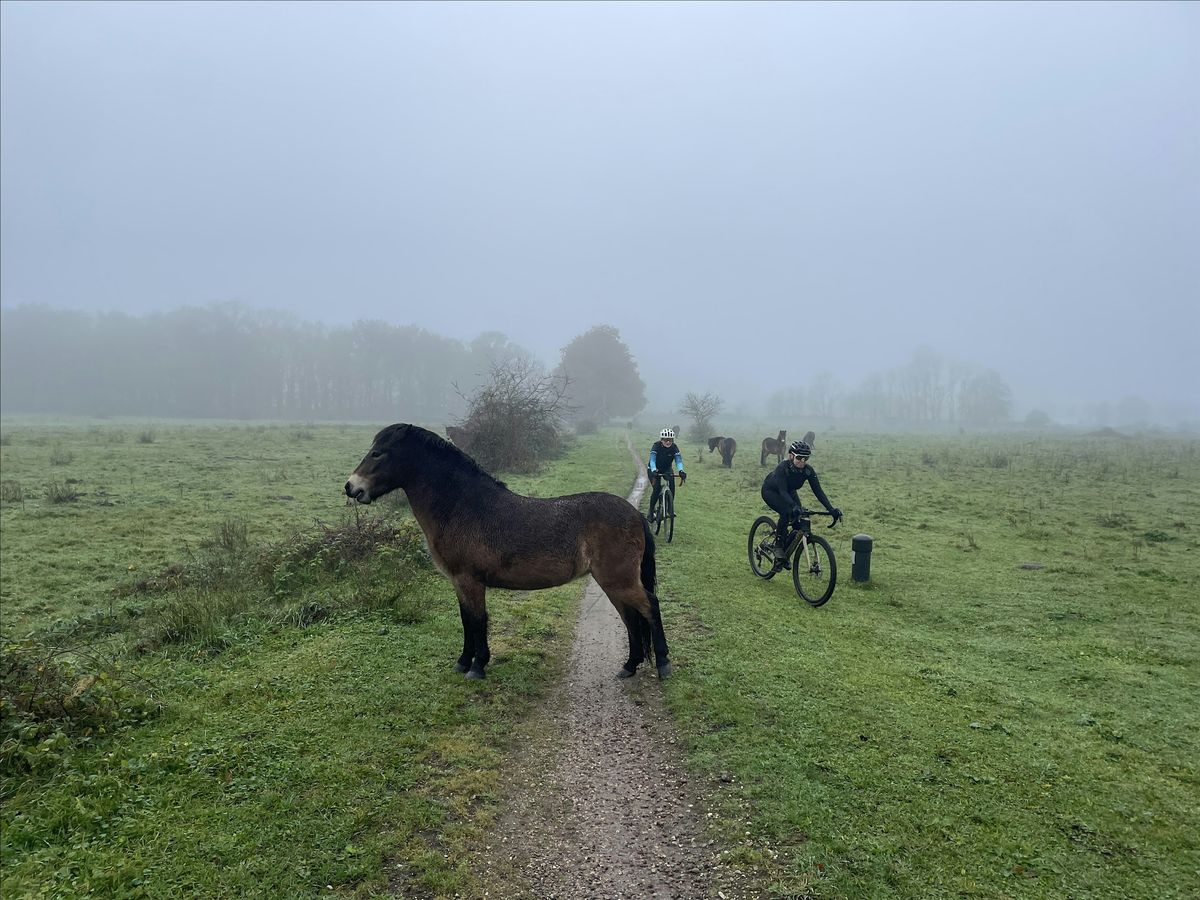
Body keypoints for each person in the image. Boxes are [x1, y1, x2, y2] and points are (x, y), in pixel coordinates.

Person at [760, 439, 842, 562]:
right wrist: (793, 506)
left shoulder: (808, 470)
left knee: (799, 520)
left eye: (806, 458)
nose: (802, 462)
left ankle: (785, 552)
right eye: (799, 458)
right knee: (786, 512)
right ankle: (778, 546)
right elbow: (782, 491)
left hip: (790, 491)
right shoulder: (783, 467)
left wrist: (831, 509)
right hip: (771, 491)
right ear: (791, 456)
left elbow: (818, 491)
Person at [647, 428, 686, 522]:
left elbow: (678, 460)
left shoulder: (674, 447)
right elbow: (652, 460)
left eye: (671, 440)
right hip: (654, 469)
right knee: (656, 490)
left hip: (666, 468)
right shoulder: (656, 446)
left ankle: (669, 508)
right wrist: (654, 470)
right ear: (661, 440)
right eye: (665, 439)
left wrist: (681, 470)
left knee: (672, 485)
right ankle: (651, 512)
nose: (668, 442)